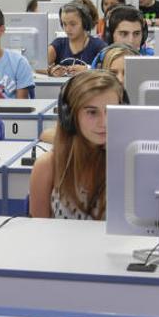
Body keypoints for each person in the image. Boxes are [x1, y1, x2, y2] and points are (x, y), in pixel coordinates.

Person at [29, 70, 122, 219]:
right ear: (70, 117)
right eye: (92, 112)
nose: (104, 122)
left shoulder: (129, 164)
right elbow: (39, 233)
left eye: (111, 111)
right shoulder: (47, 166)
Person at [46, 0, 106, 77]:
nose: (67, 29)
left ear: (84, 23)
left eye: (73, 24)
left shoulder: (98, 46)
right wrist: (51, 71)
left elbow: (110, 69)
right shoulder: (58, 44)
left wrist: (89, 69)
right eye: (64, 24)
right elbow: (38, 66)